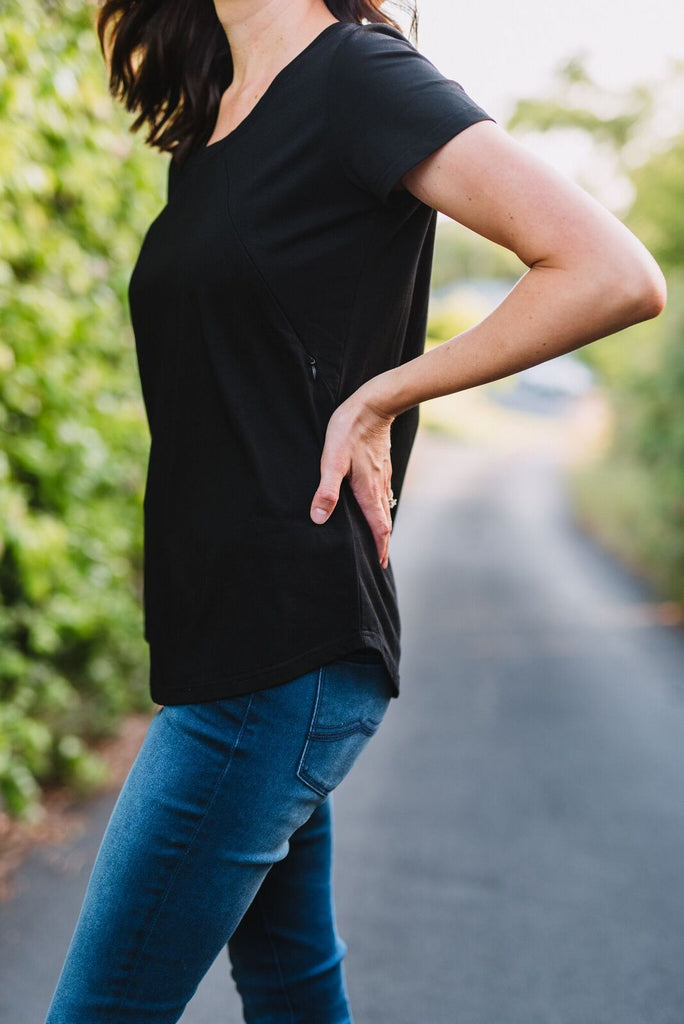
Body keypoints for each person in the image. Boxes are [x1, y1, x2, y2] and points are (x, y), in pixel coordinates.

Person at [44, 0, 666, 1021]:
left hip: (282, 652)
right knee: (292, 989)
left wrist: (387, 393)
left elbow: (611, 271)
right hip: (221, 646)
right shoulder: (212, 117)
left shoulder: (357, 77)